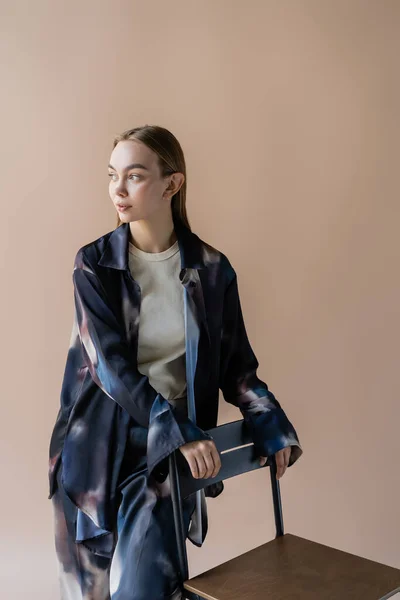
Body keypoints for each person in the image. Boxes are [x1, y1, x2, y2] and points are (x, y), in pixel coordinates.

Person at [48, 124, 303, 600]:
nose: (117, 190)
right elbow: (112, 370)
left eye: (135, 176)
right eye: (112, 176)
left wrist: (268, 418)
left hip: (165, 451)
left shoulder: (210, 270)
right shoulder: (94, 266)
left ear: (172, 183)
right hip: (98, 443)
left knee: (150, 582)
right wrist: (181, 432)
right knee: (88, 592)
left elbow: (236, 367)